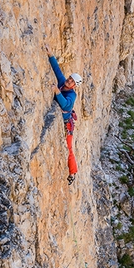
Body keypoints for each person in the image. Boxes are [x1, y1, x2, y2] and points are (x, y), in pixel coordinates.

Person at [45, 45, 82, 185]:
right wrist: (50, 54)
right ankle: (72, 171)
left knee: (69, 148)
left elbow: (66, 105)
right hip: (63, 119)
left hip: (67, 124)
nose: (69, 81)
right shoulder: (63, 82)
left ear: (74, 86)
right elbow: (57, 70)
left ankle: (73, 172)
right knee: (69, 148)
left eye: (72, 81)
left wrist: (56, 91)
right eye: (70, 78)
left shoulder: (72, 95)